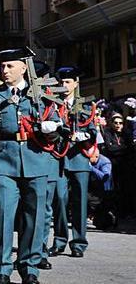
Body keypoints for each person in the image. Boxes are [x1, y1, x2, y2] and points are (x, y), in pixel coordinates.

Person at [0, 48, 62, 284]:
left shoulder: (41, 95)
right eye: (2, 66)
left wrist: (52, 132)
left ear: (24, 67)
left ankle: (30, 268)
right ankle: (2, 269)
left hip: (36, 158)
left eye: (10, 66)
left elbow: (57, 131)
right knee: (3, 213)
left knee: (35, 216)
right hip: (4, 161)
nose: (5, 70)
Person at [50, 66, 97, 258]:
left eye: (68, 82)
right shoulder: (53, 104)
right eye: (61, 82)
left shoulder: (86, 105)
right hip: (59, 158)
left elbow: (93, 130)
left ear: (76, 83)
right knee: (59, 200)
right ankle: (60, 240)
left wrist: (84, 135)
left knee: (80, 202)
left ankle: (78, 243)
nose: (64, 85)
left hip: (78, 158)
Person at [100, 111, 135, 218]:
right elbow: (110, 149)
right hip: (113, 165)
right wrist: (122, 149)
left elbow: (131, 148)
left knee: (126, 188)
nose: (118, 125)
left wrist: (117, 149)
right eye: (116, 122)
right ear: (111, 123)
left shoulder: (126, 134)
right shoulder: (108, 133)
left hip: (125, 165)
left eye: (120, 123)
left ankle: (126, 211)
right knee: (114, 189)